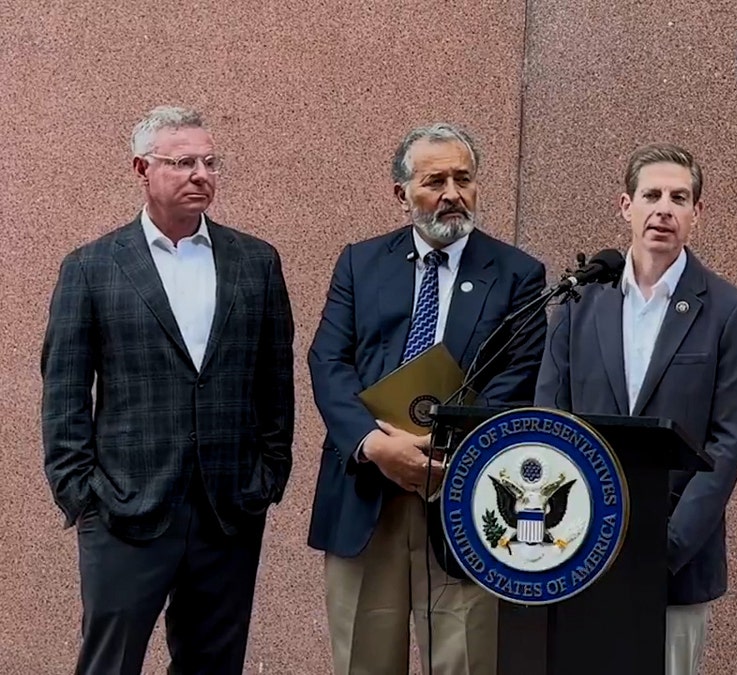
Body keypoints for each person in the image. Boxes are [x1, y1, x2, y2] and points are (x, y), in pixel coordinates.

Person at [39, 105, 295, 674]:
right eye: (183, 162)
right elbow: (64, 395)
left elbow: (276, 384)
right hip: (123, 509)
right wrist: (81, 495)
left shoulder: (257, 262)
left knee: (214, 664)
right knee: (109, 663)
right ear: (142, 169)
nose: (202, 174)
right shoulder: (92, 267)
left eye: (209, 161)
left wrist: (267, 476)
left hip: (228, 510)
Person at [306, 122, 548, 675]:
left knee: (466, 658)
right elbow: (328, 362)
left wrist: (443, 450)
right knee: (365, 660)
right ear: (402, 193)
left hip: (462, 492)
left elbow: (519, 376)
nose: (452, 193)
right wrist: (373, 444)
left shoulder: (518, 275)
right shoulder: (359, 263)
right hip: (368, 492)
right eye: (434, 180)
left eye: (463, 178)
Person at [535, 143, 737, 675]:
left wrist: (667, 546)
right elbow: (550, 418)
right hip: (579, 548)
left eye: (679, 198)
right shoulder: (579, 302)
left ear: (696, 214)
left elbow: (728, 442)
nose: (663, 208)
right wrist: (569, 531)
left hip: (673, 565)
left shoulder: (728, 312)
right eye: (651, 195)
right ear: (625, 205)